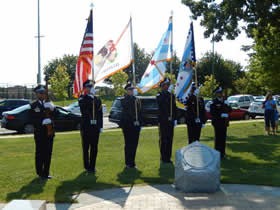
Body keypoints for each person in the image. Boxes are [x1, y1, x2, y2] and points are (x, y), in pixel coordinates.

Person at [30, 85, 55, 179]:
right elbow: (32, 119)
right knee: (40, 152)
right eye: (40, 93)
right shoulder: (33, 105)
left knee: (48, 152)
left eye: (44, 92)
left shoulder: (50, 104)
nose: (43, 94)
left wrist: (53, 109)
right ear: (36, 94)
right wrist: (41, 121)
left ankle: (46, 172)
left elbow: (57, 116)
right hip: (40, 132)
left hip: (49, 131)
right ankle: (40, 173)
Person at [79, 80, 103, 173]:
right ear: (85, 88)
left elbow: (100, 114)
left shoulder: (97, 99)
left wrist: (100, 126)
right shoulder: (82, 98)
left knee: (94, 147)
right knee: (86, 147)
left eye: (92, 86)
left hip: (95, 127)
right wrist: (90, 97)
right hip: (86, 127)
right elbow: (84, 109)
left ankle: (92, 166)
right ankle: (87, 166)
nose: (91, 88)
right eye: (89, 87)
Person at [120, 81, 142, 169]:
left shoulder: (137, 100)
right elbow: (128, 110)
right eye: (130, 90)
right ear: (126, 91)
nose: (132, 91)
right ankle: (128, 162)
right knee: (128, 144)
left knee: (134, 144)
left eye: (132, 89)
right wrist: (133, 120)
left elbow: (140, 112)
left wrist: (140, 122)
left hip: (136, 126)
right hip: (128, 125)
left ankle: (133, 162)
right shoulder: (124, 100)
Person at [156, 78, 177, 164]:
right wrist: (168, 95)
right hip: (163, 121)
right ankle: (163, 157)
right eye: (166, 85)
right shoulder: (159, 95)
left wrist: (175, 118)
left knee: (170, 139)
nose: (167, 86)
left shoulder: (171, 95)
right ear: (162, 86)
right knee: (163, 139)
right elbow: (161, 106)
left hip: (170, 121)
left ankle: (168, 157)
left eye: (168, 85)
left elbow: (174, 108)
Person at [210, 87, 231, 159]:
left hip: (224, 123)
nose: (221, 94)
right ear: (216, 94)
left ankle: (223, 153)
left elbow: (230, 110)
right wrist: (220, 115)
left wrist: (227, 105)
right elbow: (212, 112)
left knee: (223, 138)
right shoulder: (214, 102)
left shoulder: (224, 101)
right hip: (217, 122)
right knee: (218, 138)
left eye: (221, 93)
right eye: (219, 93)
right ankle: (217, 153)